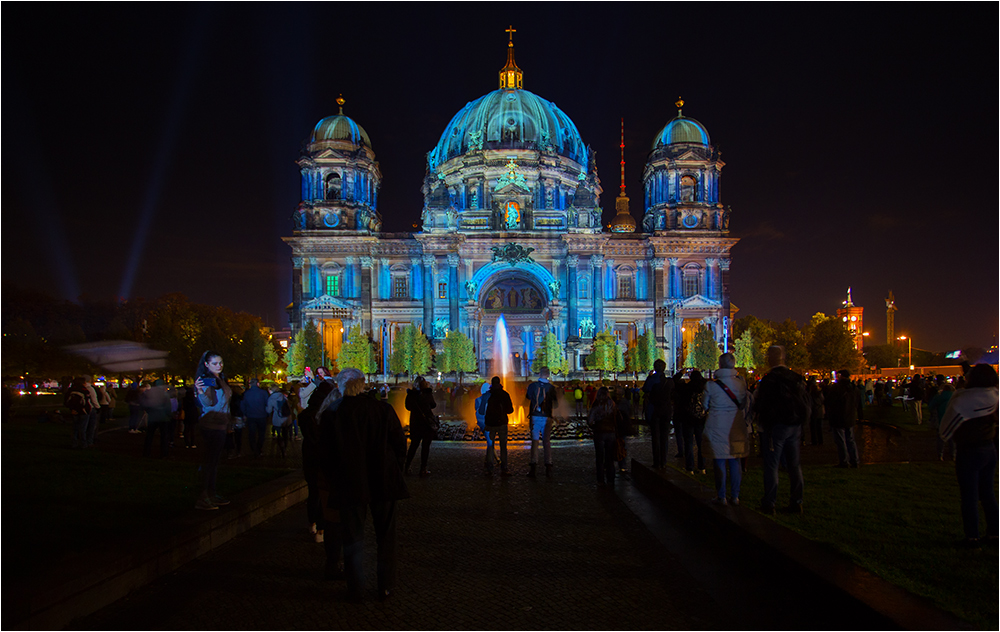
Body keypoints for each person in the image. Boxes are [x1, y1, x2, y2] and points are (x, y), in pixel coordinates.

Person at [319, 367, 409, 601]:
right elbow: (400, 446)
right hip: (383, 481)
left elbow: (325, 454)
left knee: (352, 538)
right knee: (386, 536)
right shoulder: (382, 409)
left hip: (350, 483)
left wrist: (333, 479)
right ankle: (386, 585)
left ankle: (356, 588)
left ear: (340, 385)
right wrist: (394, 469)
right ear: (363, 384)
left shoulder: (333, 414)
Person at [939, 364, 998, 547]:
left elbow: (946, 428)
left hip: (969, 450)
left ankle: (972, 537)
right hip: (990, 448)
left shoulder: (963, 399)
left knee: (969, 495)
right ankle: (994, 534)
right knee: (987, 493)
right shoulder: (995, 396)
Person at [753, 345, 810, 515]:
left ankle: (770, 503)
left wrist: (762, 422)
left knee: (771, 465)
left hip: (775, 426)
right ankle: (797, 501)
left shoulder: (769, 380)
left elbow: (760, 403)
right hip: (794, 425)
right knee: (794, 464)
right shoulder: (796, 378)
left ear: (771, 358)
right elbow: (806, 403)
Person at [703, 353, 748, 505]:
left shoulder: (711, 386)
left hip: (717, 426)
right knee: (735, 461)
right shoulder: (741, 384)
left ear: (720, 365)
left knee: (719, 461)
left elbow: (705, 405)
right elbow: (744, 403)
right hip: (735, 425)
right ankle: (735, 496)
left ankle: (721, 495)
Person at [194, 351, 233, 511]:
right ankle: (203, 497)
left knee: (214, 463)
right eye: (215, 363)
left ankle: (211, 493)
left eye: (221, 362)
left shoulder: (219, 379)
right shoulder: (206, 381)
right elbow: (208, 403)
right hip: (210, 426)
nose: (219, 366)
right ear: (206, 364)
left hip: (220, 425)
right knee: (209, 463)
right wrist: (201, 392)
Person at [525, 366, 558, 477]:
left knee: (535, 441)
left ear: (539, 374)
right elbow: (556, 404)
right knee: (546, 441)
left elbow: (528, 398)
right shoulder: (551, 388)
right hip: (547, 416)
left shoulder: (532, 386)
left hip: (535, 416)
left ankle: (533, 466)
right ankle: (548, 465)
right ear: (548, 375)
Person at [641, 359, 674, 468]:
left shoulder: (652, 379)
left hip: (655, 409)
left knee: (655, 436)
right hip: (666, 410)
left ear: (655, 368)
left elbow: (645, 389)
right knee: (664, 436)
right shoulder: (668, 381)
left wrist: (649, 377)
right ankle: (663, 460)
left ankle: (657, 461)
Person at [826, 370, 862, 468]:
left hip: (838, 417)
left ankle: (844, 461)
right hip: (850, 417)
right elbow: (858, 403)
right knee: (850, 439)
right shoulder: (854, 389)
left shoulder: (836, 388)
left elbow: (830, 402)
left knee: (840, 441)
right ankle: (855, 460)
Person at [403, 376, 437, 476]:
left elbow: (408, 407)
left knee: (413, 446)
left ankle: (407, 466)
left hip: (415, 422)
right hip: (426, 423)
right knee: (425, 447)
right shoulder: (427, 393)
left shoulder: (411, 394)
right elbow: (433, 405)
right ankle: (423, 468)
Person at [676, 370, 708, 474]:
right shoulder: (704, 388)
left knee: (688, 443)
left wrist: (681, 373)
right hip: (701, 419)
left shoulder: (687, 388)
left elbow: (674, 381)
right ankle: (702, 467)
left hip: (688, 418)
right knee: (701, 443)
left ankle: (690, 468)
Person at [588, 386, 621, 484]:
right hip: (611, 432)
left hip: (599, 433)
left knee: (599, 457)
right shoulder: (612, 404)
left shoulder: (596, 404)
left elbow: (590, 420)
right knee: (609, 457)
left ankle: (600, 479)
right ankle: (611, 478)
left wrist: (592, 426)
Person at [483, 376, 514, 476]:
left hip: (490, 424)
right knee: (503, 446)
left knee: (490, 446)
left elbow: (481, 410)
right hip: (502, 423)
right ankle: (504, 468)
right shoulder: (504, 394)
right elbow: (510, 410)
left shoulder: (487, 395)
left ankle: (489, 468)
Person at [141, 379, 173, 458]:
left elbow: (145, 404)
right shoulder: (165, 394)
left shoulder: (149, 394)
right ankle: (164, 453)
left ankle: (146, 452)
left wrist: (149, 411)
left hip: (153, 417)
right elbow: (168, 407)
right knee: (164, 436)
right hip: (163, 417)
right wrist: (169, 415)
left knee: (149, 436)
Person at [929, 375, 955, 460]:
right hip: (953, 419)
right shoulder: (955, 397)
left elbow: (931, 406)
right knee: (952, 438)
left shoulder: (939, 397)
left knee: (941, 438)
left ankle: (940, 454)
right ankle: (953, 454)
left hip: (941, 419)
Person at [474, 382, 499, 473]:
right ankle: (491, 462)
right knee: (490, 442)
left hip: (481, 423)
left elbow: (477, 410)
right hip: (489, 422)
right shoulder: (492, 399)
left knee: (490, 440)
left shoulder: (477, 400)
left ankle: (491, 460)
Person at [241, 378, 269, 457]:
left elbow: (243, 405)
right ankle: (259, 449)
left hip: (251, 416)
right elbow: (267, 403)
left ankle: (253, 449)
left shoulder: (246, 393)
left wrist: (245, 414)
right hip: (262, 416)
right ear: (258, 384)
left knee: (252, 434)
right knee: (261, 434)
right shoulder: (263, 393)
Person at [65, 377, 92, 448]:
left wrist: (72, 409)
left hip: (74, 411)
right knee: (83, 428)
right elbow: (86, 402)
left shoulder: (70, 390)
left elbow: (66, 401)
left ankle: (74, 443)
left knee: (75, 428)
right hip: (83, 411)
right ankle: (83, 444)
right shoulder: (84, 391)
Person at [266, 384, 292, 457]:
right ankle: (285, 448)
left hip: (278, 418)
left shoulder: (271, 398)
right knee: (285, 434)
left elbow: (269, 410)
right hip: (286, 418)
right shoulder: (283, 396)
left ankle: (281, 448)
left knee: (279, 434)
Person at [806, 376, 825, 446]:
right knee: (819, 427)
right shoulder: (820, 394)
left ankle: (814, 441)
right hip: (820, 411)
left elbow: (810, 404)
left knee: (813, 427)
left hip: (814, 412)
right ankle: (820, 440)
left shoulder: (811, 395)